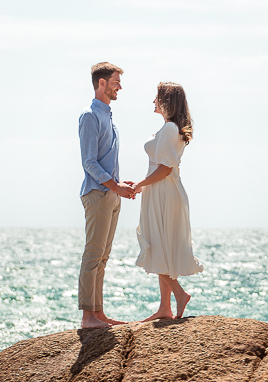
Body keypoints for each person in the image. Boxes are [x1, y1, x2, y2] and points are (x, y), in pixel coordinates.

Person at [128, 81, 203, 321]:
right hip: (159, 190)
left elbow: (165, 168)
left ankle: (180, 295)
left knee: (158, 245)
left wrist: (140, 184)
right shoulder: (169, 129)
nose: (153, 102)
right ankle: (164, 308)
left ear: (167, 101)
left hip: (163, 191)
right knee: (162, 246)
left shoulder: (170, 129)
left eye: (157, 97)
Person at [77, 61, 136, 330]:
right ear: (102, 83)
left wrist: (120, 184)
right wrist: (115, 187)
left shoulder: (109, 117)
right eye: (115, 82)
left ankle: (98, 313)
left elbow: (104, 161)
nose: (119, 87)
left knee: (103, 256)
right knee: (93, 255)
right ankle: (87, 316)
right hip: (98, 194)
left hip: (111, 193)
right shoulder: (90, 116)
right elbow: (89, 162)